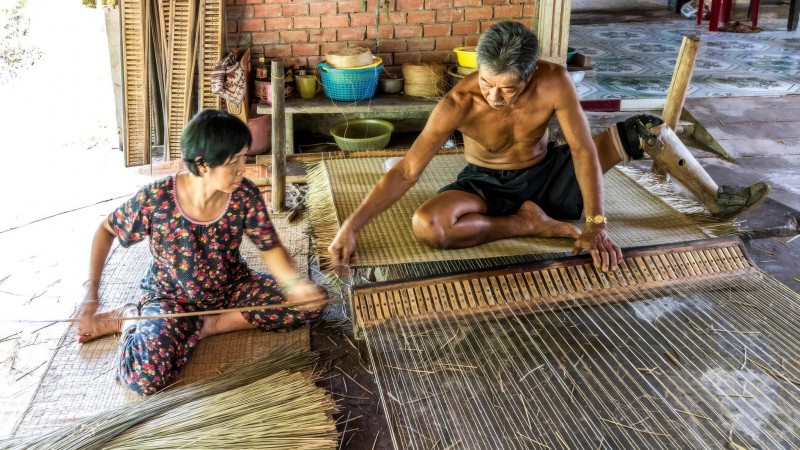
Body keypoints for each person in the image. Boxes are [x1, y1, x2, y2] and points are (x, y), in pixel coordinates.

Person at [328, 20, 768, 274]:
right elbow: (406, 172)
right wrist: (352, 225)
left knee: (649, 129)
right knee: (430, 227)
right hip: (487, 188)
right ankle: (528, 225)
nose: (494, 98)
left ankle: (716, 198)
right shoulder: (457, 101)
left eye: (508, 89)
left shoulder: (554, 80)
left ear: (532, 71)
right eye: (487, 84)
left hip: (549, 174)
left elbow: (581, 150)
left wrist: (595, 223)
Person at [77, 109, 328, 395]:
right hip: (172, 299)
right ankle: (128, 319)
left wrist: (294, 284)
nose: (242, 169)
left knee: (311, 302)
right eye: (233, 162)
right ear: (203, 164)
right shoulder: (156, 199)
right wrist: (92, 293)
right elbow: (106, 231)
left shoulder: (244, 195)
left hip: (232, 288)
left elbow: (269, 245)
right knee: (145, 376)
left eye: (243, 158)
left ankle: (209, 325)